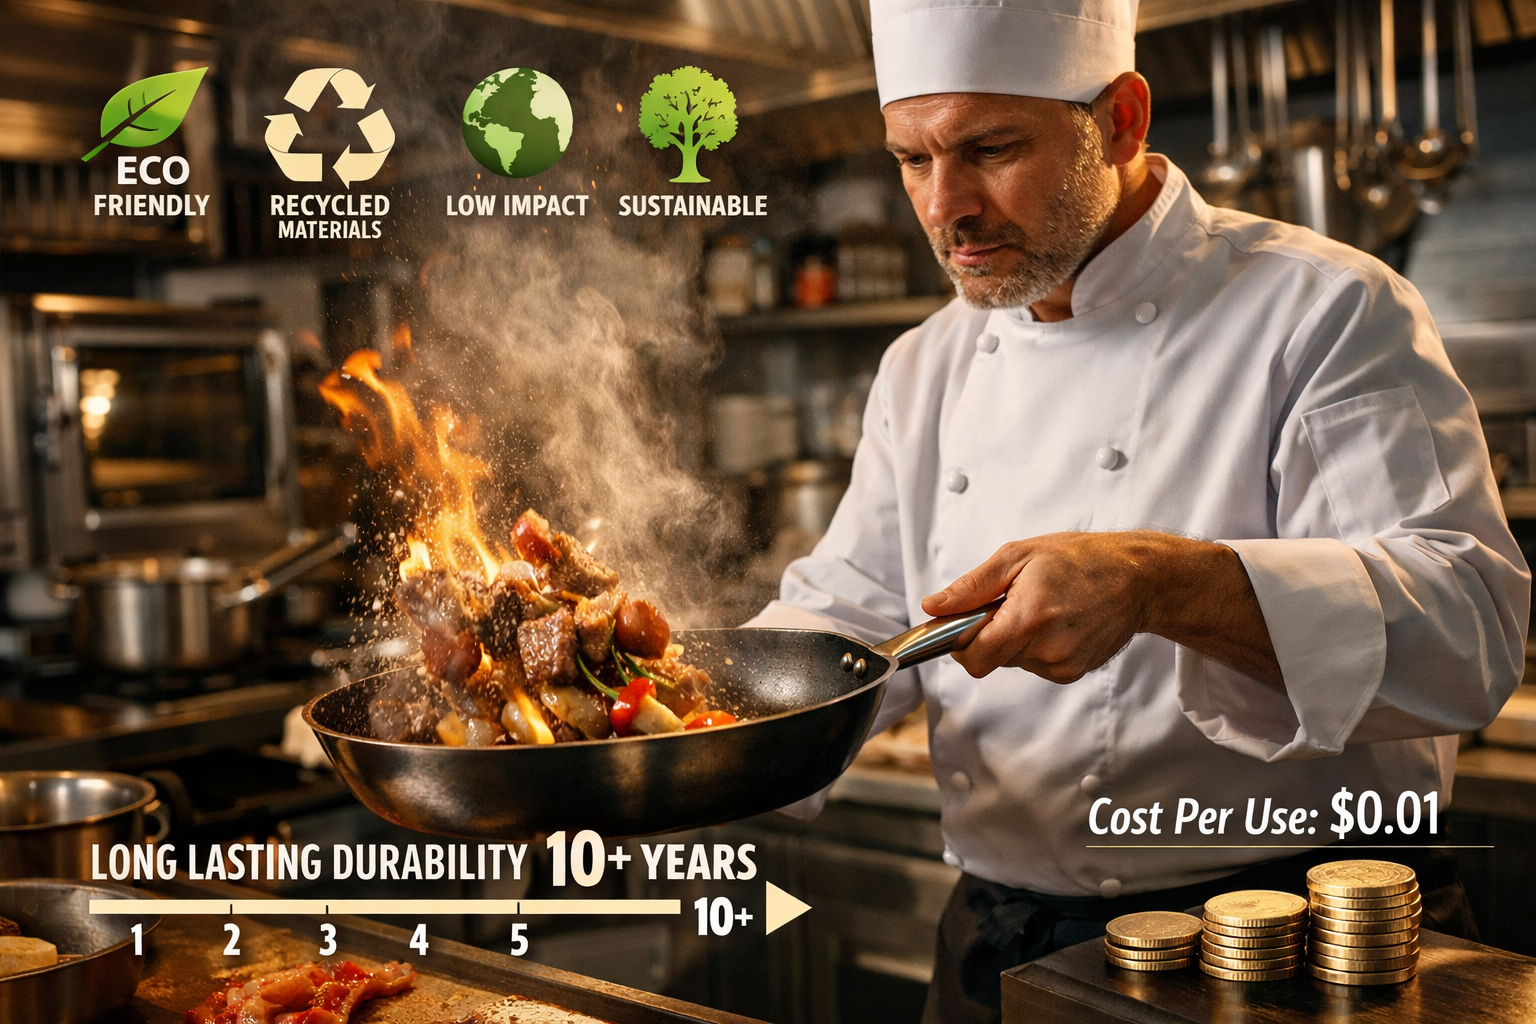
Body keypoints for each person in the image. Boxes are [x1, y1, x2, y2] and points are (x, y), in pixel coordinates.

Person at [745, 1, 1531, 1020]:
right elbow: (849, 625)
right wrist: (631, 754)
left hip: (1284, 948)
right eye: (911, 159)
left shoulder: (1326, 312)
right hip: (997, 947)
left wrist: (1161, 584)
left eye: (989, 148)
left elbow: (1467, 629)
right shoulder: (924, 366)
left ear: (1120, 119)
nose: (947, 207)